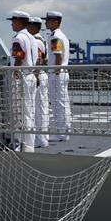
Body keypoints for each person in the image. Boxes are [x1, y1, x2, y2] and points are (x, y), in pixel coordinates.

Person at [8, 11, 36, 152]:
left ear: (19, 21)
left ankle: (24, 144)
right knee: (29, 110)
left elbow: (18, 57)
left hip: (22, 77)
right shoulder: (32, 37)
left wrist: (15, 72)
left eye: (13, 21)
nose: (11, 24)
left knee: (21, 111)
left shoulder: (18, 38)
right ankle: (29, 143)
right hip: (30, 75)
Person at [44, 11, 71, 141]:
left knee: (57, 103)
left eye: (48, 20)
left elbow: (58, 56)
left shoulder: (55, 37)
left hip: (57, 73)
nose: (46, 23)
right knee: (63, 102)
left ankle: (61, 133)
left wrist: (55, 71)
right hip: (61, 73)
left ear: (55, 22)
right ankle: (65, 131)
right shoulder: (62, 36)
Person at [27, 17, 50, 148]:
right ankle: (40, 138)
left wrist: (35, 77)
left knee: (38, 109)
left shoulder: (36, 41)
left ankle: (40, 139)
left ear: (33, 27)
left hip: (38, 76)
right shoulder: (39, 39)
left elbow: (39, 60)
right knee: (40, 108)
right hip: (40, 75)